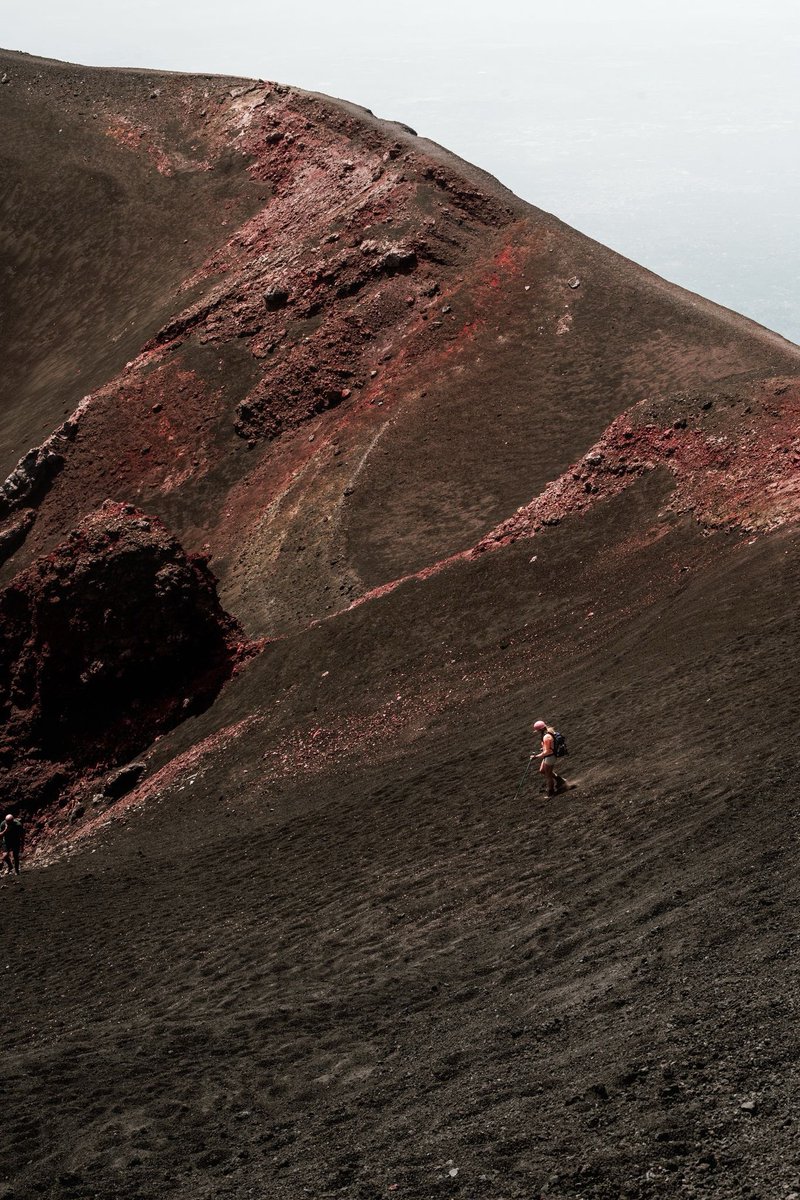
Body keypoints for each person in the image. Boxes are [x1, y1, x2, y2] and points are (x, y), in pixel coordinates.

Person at [531, 720, 568, 798]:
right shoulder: (548, 732)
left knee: (548, 775)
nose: (537, 732)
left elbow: (548, 751)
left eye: (537, 730)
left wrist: (536, 756)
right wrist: (543, 748)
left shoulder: (546, 737)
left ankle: (551, 792)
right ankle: (560, 780)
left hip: (550, 757)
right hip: (549, 756)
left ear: (540, 729)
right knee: (542, 770)